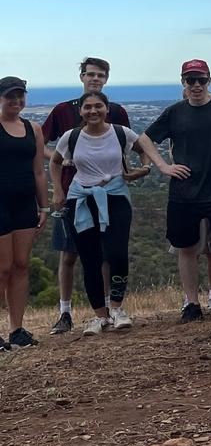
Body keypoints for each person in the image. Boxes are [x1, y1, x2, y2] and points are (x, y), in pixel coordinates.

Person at [136, 59, 211, 323]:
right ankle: (191, 303)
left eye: (201, 80)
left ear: (209, 81)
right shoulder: (175, 112)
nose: (196, 85)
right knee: (186, 247)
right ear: (183, 82)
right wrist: (164, 167)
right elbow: (144, 139)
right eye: (191, 80)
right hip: (184, 190)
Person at [41, 57, 133, 336]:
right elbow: (43, 144)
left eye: (100, 75)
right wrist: (61, 161)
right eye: (90, 74)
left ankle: (107, 309)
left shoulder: (116, 112)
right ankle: (65, 311)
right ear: (81, 76)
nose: (95, 79)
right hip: (72, 193)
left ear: (106, 79)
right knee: (70, 255)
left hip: (109, 193)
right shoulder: (62, 110)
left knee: (106, 253)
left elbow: (125, 148)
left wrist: (130, 174)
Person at [49, 92, 149, 334]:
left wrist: (144, 168)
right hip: (81, 200)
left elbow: (144, 149)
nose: (93, 111)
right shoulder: (71, 137)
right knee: (90, 258)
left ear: (107, 108)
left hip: (115, 197)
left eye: (98, 106)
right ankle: (99, 316)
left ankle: (116, 308)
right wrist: (58, 191)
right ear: (81, 111)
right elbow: (55, 162)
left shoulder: (120, 133)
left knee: (116, 252)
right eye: (87, 107)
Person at [0, 77, 48, 349]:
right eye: (11, 96)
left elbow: (39, 172)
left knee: (20, 265)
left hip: (24, 204)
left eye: (21, 96)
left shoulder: (33, 129)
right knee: (2, 267)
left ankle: (16, 330)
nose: (16, 101)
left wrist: (43, 206)